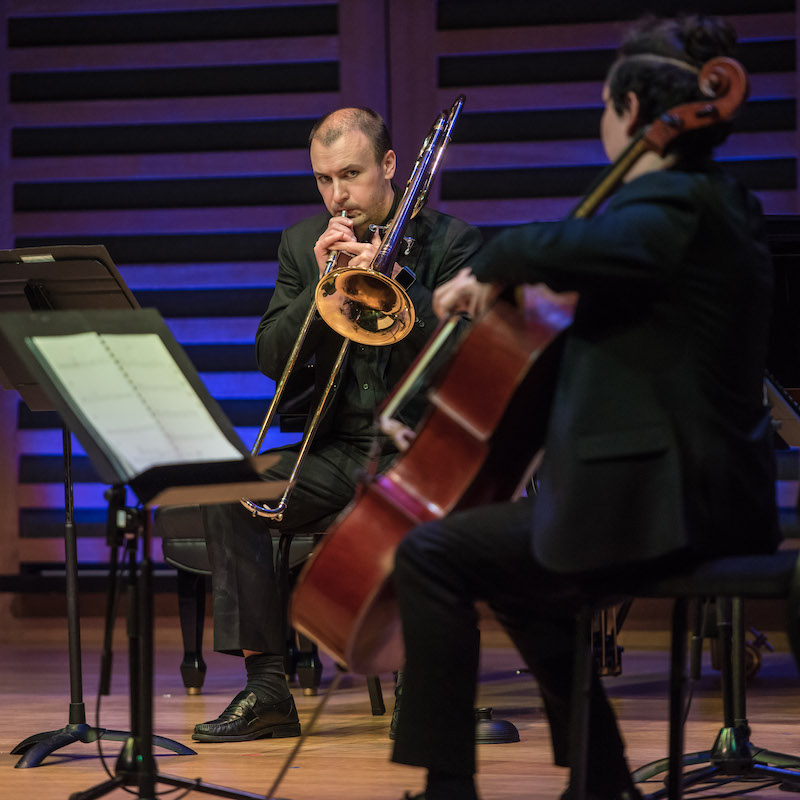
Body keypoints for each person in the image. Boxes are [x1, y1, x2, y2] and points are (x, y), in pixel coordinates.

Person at [390, 14, 782, 800]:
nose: (607, 123)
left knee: (432, 554)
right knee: (517, 571)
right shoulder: (715, 206)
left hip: (672, 505)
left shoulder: (678, 209)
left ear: (634, 110)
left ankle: (448, 790)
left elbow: (558, 247)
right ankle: (601, 780)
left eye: (608, 107)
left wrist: (491, 263)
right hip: (702, 495)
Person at [191, 107, 482, 743]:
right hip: (337, 448)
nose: (337, 197)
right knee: (226, 487)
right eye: (323, 180)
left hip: (424, 452)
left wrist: (394, 279)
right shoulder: (302, 244)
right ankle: (268, 689)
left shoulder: (451, 242)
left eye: (350, 175)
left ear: (388, 167)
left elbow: (469, 364)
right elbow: (271, 359)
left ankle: (420, 689)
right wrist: (318, 295)